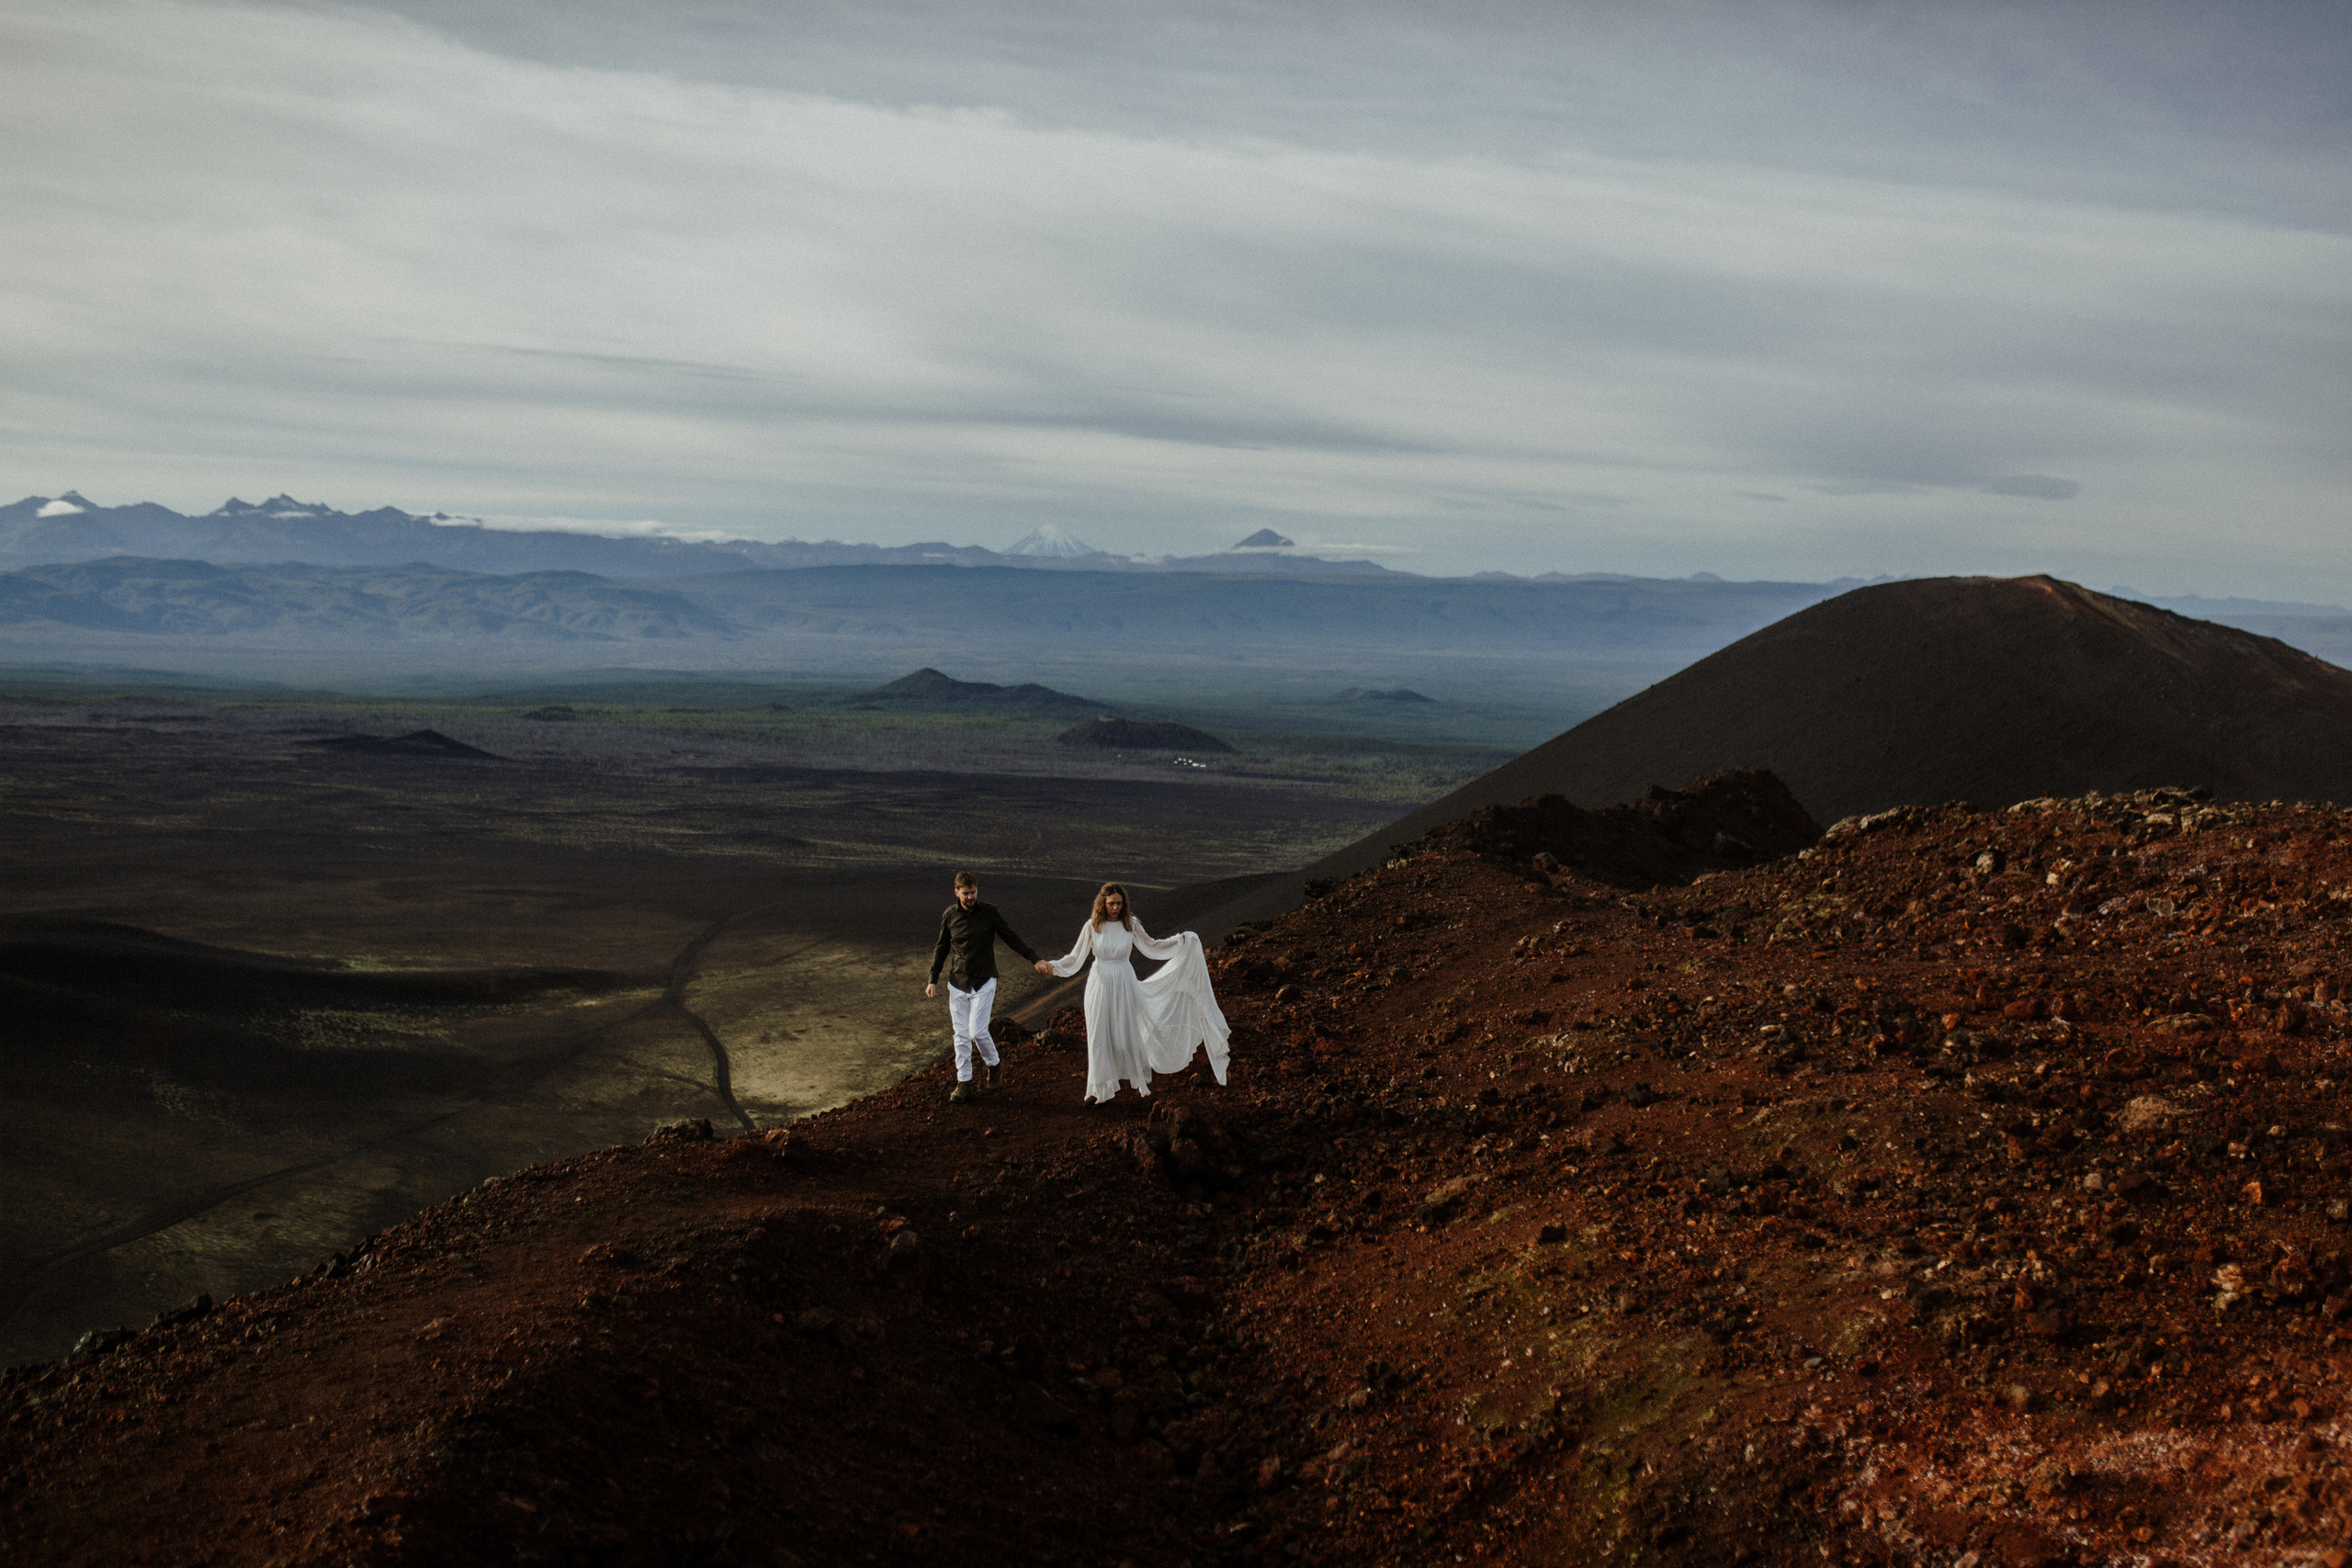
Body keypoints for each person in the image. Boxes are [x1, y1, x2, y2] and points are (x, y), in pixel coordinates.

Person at [1041, 882, 1230, 1105]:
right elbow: (1075, 958)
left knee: (1126, 1031)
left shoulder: (1130, 924)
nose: (1115, 908)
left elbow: (1152, 946)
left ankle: (1136, 1080)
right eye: (1111, 904)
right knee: (1098, 1034)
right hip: (1099, 983)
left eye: (1119, 903)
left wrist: (1180, 941)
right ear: (1103, 903)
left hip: (1124, 981)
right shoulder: (1092, 927)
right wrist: (1053, 966)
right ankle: (1096, 1090)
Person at [927, 872, 1041, 1104]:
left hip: (984, 980)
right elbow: (941, 947)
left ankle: (995, 1065)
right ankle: (964, 1083)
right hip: (958, 982)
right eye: (966, 893)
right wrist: (932, 979)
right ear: (956, 892)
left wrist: (1034, 959)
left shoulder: (989, 912)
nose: (971, 897)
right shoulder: (949, 916)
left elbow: (1011, 937)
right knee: (960, 1035)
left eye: (974, 892)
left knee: (977, 1031)